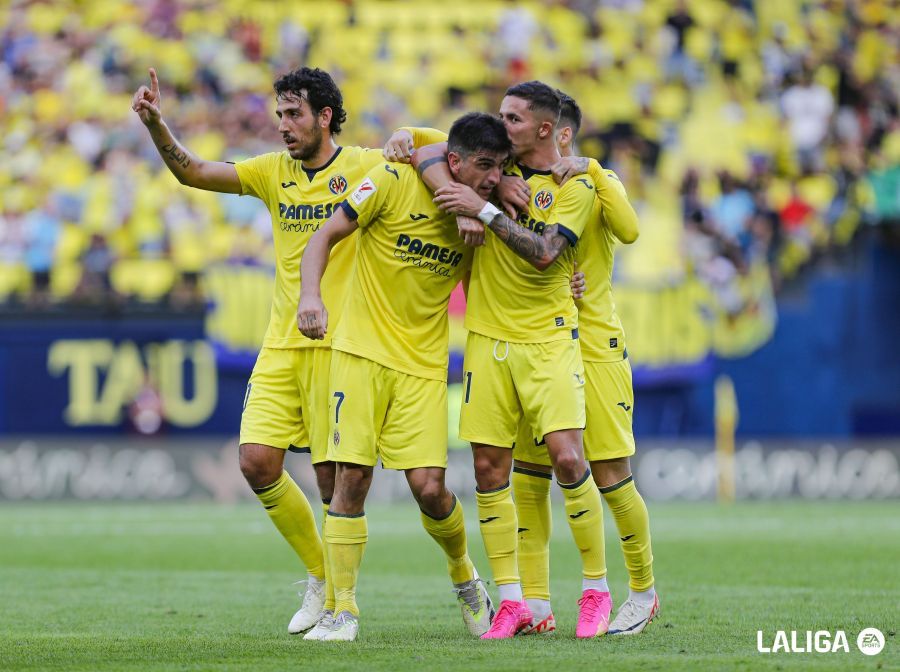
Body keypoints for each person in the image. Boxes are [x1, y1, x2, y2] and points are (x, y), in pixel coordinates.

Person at [132, 66, 387, 634]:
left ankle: (341, 603)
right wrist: (155, 125)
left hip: (340, 345)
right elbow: (193, 171)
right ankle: (321, 578)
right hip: (281, 342)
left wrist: (409, 138)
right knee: (255, 460)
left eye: (294, 114)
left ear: (325, 116)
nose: (283, 125)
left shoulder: (366, 166)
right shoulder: (274, 172)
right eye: (279, 115)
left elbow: (438, 156)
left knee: (332, 482)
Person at [295, 112, 512, 642]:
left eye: (500, 167)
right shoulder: (391, 180)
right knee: (352, 478)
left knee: (430, 490)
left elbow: (502, 280)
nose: (493, 177)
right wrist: (310, 296)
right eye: (484, 165)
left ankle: (465, 575)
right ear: (453, 161)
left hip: (423, 366)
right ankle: (343, 611)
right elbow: (325, 235)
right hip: (360, 352)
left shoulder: (485, 216)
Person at [407, 81, 607, 639]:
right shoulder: (495, 167)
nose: (503, 125)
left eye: (513, 118)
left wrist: (484, 209)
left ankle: (596, 589)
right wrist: (475, 190)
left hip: (548, 340)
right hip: (487, 340)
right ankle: (514, 602)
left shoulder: (576, 184)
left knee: (568, 458)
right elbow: (422, 149)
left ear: (545, 128)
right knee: (489, 471)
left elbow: (545, 255)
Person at [502, 92, 660, 636]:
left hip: (593, 344)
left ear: (560, 133)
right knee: (529, 474)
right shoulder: (508, 180)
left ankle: (642, 592)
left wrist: (593, 166)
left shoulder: (593, 181)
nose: (507, 127)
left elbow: (631, 230)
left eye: (516, 119)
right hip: (537, 342)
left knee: (611, 473)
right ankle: (537, 605)